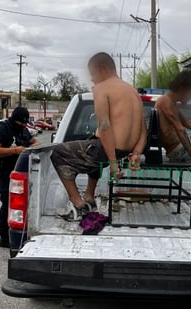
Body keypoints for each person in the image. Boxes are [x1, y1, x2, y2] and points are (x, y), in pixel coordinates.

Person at [51, 52, 147, 221]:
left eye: (93, 74)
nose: (93, 80)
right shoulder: (133, 92)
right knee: (91, 144)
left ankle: (77, 205)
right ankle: (89, 197)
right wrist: (136, 153)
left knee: (58, 152)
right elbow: (143, 129)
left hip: (109, 151)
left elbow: (105, 126)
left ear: (103, 69)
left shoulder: (102, 89)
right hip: (125, 151)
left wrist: (112, 163)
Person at [0, 107, 40, 248]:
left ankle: (23, 231)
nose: (23, 126)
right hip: (6, 171)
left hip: (23, 170)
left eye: (25, 123)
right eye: (21, 123)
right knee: (7, 202)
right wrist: (15, 150)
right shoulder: (2, 128)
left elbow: (34, 141)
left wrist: (32, 146)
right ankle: (4, 237)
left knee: (25, 203)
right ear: (14, 119)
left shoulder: (23, 129)